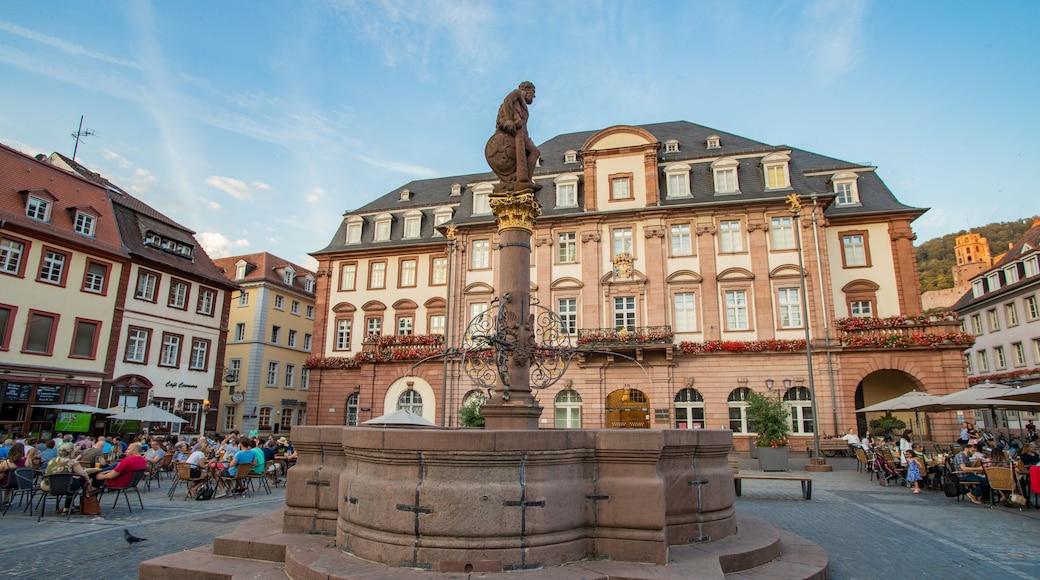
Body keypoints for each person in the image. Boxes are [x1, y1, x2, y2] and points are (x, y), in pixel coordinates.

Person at [485, 81, 540, 192]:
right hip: (514, 133)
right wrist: (510, 120)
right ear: (527, 89)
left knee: (533, 152)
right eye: (533, 92)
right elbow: (508, 100)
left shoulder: (521, 105)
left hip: (521, 134)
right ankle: (525, 180)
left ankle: (525, 179)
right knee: (535, 152)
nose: (534, 96)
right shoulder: (518, 94)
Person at [41, 443, 93, 514]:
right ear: (71, 452)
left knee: (72, 480)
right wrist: (88, 481)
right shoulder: (72, 461)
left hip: (47, 486)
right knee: (79, 481)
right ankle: (68, 507)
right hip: (64, 487)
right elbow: (83, 473)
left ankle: (69, 506)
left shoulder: (52, 460)